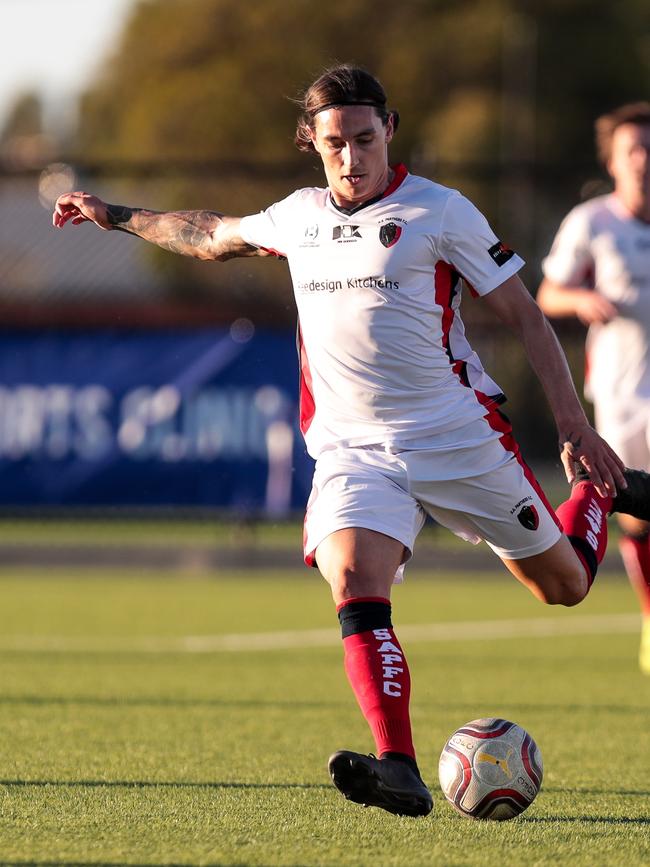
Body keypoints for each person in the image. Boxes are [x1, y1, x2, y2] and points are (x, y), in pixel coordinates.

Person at [53, 66, 650, 818]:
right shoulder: (298, 217)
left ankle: (603, 491)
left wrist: (573, 427)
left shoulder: (441, 211)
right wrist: (112, 213)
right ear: (312, 142)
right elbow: (208, 235)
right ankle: (397, 762)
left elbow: (528, 318)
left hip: (458, 436)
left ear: (389, 129)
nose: (352, 157)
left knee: (564, 585)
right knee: (352, 576)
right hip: (353, 448)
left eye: (365, 139)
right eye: (335, 143)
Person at [537, 103, 650, 675]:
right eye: (635, 149)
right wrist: (581, 299)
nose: (646, 160)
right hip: (621, 393)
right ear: (614, 161)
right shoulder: (593, 222)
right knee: (637, 516)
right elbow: (546, 295)